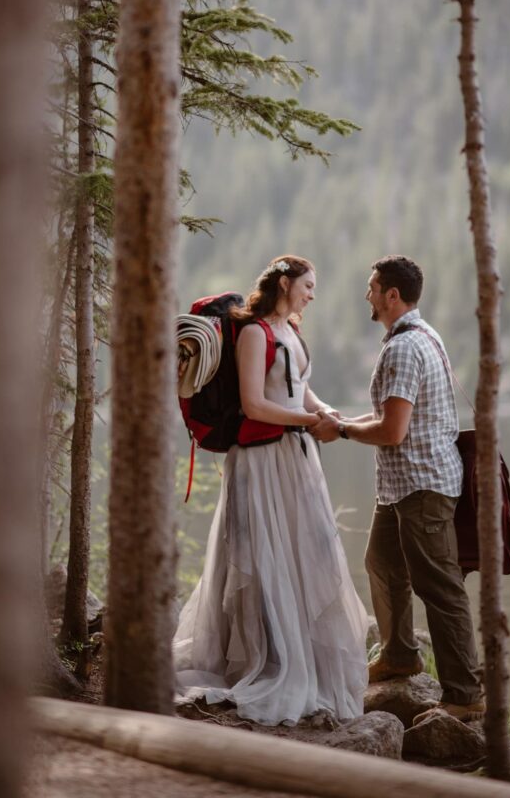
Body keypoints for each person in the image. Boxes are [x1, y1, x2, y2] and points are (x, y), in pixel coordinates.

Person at [173, 255, 368, 725]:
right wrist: (309, 422)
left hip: (294, 458)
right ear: (285, 282)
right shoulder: (256, 332)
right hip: (260, 461)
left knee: (302, 551)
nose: (312, 294)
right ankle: (263, 658)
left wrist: (328, 413)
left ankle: (296, 651)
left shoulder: (291, 331)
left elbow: (299, 388)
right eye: (308, 285)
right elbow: (254, 404)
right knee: (263, 553)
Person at [311, 254, 485, 724]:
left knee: (439, 586)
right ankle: (401, 655)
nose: (367, 295)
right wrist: (343, 421)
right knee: (383, 562)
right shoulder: (420, 336)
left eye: (372, 287)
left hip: (423, 484)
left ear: (392, 295)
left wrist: (341, 431)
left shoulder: (406, 348)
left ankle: (465, 694)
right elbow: (393, 422)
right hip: (404, 485)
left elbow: (392, 432)